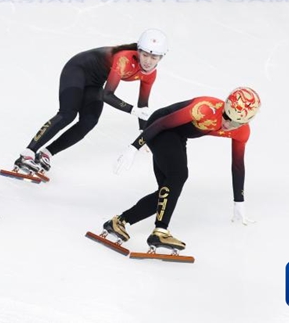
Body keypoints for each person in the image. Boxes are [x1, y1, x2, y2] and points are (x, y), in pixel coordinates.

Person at [105, 87, 261, 251]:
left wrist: (239, 201)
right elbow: (163, 123)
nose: (228, 124)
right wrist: (134, 147)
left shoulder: (241, 132)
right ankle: (160, 231)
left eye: (236, 122)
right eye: (227, 116)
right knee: (179, 175)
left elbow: (237, 165)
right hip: (159, 126)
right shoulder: (205, 108)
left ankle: (118, 222)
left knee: (166, 192)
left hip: (178, 137)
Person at [11, 29, 168, 176]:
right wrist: (132, 110)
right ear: (138, 51)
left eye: (154, 57)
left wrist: (143, 131)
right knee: (67, 114)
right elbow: (107, 95)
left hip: (94, 83)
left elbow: (143, 104)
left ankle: (46, 153)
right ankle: (28, 153)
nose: (148, 61)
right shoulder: (124, 58)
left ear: (161, 58)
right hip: (77, 70)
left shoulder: (150, 75)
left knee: (89, 121)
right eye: (145, 55)